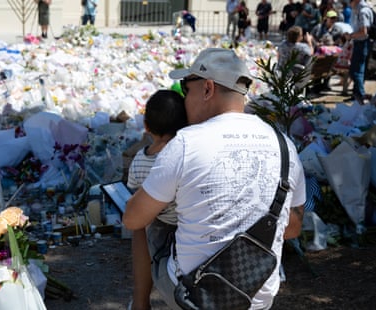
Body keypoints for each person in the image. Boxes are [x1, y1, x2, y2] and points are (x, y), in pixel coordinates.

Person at [123, 48, 306, 310]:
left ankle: (140, 305)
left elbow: (132, 219)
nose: (184, 100)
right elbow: (293, 228)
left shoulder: (186, 143)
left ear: (207, 88)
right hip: (257, 295)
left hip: (195, 296)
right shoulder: (284, 145)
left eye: (187, 90)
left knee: (149, 219)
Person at [127, 89, 187, 310]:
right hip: (185, 226)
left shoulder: (140, 160)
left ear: (146, 126)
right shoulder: (185, 156)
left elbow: (135, 198)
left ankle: (141, 301)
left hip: (158, 231)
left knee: (139, 230)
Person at [347, 0, 373, 104]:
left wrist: (350, 36)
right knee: (358, 71)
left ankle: (361, 95)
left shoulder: (363, 11)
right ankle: (357, 95)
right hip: (362, 43)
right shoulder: (362, 9)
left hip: (362, 43)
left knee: (356, 71)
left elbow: (363, 32)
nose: (349, 3)